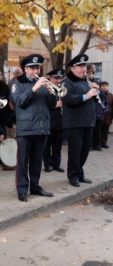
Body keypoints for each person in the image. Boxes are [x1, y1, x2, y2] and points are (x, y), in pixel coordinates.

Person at [10, 54, 56, 202]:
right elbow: (19, 101)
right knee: (23, 161)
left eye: (38, 67)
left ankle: (35, 186)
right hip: (26, 128)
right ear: (25, 68)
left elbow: (52, 105)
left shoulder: (43, 84)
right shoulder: (17, 83)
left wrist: (51, 93)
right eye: (32, 68)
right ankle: (22, 189)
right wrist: (35, 88)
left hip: (42, 128)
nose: (36, 70)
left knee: (37, 160)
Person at [61, 54, 95, 187]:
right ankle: (73, 175)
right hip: (75, 122)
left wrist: (95, 92)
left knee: (84, 151)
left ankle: (80, 173)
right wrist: (86, 96)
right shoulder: (66, 82)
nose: (83, 69)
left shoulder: (85, 80)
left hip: (88, 121)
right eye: (80, 66)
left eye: (84, 66)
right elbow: (67, 99)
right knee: (75, 151)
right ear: (73, 68)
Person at [43, 68, 65, 173]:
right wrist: (55, 105)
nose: (58, 81)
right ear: (51, 78)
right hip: (49, 121)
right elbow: (43, 105)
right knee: (47, 145)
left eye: (60, 78)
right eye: (56, 78)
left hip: (60, 122)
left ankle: (56, 164)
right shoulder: (45, 88)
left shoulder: (61, 89)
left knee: (57, 145)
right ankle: (48, 164)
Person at [101, 81, 113, 148]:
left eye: (105, 85)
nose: (104, 87)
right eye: (103, 86)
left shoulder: (110, 95)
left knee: (105, 130)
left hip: (108, 116)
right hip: (100, 115)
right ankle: (98, 143)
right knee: (99, 130)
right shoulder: (98, 94)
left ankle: (104, 142)